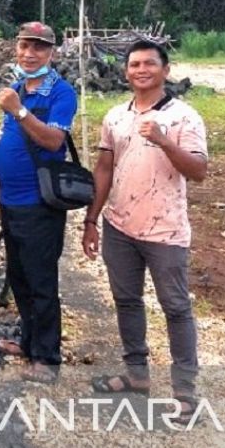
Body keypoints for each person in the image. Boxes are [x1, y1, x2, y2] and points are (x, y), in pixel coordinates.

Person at [83, 40, 208, 420]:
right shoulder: (115, 116)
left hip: (165, 231)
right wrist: (91, 219)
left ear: (165, 70)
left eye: (149, 64)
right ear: (125, 72)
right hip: (119, 225)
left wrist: (164, 140)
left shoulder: (185, 117)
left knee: (175, 307)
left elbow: (198, 171)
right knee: (126, 300)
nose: (141, 70)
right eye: (134, 64)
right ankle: (137, 374)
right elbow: (105, 168)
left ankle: (185, 392)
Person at [0, 21, 78, 383]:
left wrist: (19, 112)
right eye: (25, 46)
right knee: (19, 275)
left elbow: (54, 142)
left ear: (51, 53)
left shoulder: (61, 93)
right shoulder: (16, 88)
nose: (30, 54)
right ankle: (27, 341)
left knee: (41, 279)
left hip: (39, 202)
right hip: (9, 199)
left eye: (39, 48)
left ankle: (47, 355)